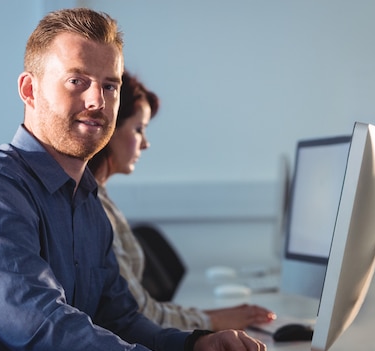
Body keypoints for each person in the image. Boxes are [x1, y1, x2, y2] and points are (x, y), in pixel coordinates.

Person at [0, 8, 314, 351]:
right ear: (29, 90)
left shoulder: (85, 200)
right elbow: (42, 326)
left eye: (110, 85)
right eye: (77, 81)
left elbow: (119, 320)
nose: (99, 101)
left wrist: (194, 345)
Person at [89, 70, 276, 331]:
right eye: (138, 129)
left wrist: (211, 317)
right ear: (109, 128)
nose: (145, 144)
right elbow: (138, 312)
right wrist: (212, 321)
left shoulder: (101, 199)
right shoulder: (93, 209)